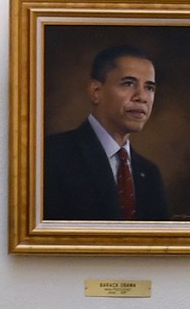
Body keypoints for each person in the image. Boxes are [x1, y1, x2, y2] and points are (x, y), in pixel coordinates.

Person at [41, 45, 170, 222]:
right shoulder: (51, 155)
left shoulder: (149, 173)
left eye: (149, 87)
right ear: (96, 91)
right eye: (128, 83)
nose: (142, 96)